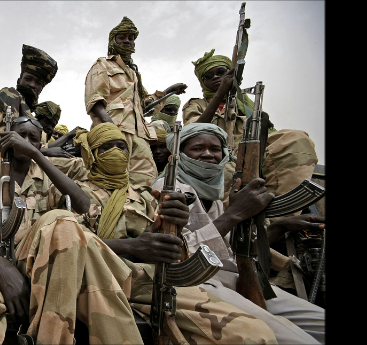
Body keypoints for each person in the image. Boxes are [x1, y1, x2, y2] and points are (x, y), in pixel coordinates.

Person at [66, 122, 278, 344]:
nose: (117, 153)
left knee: (261, 334)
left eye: (122, 147)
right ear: (90, 154)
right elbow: (66, 240)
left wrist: (166, 228)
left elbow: (168, 245)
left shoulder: (146, 196)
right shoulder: (72, 192)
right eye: (106, 147)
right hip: (106, 278)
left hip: (156, 277)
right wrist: (133, 246)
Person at [0, 115, 144, 344]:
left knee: (63, 219)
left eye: (33, 139)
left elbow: (83, 206)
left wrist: (37, 156)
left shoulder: (47, 179)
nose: (25, 141)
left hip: (35, 261)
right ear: (7, 137)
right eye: (20, 135)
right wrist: (1, 267)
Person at [151, 123, 325, 344]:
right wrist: (235, 213)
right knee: (292, 338)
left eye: (215, 149)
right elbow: (175, 253)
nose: (208, 154)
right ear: (181, 155)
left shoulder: (213, 195)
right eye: (197, 148)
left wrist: (280, 226)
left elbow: (230, 248)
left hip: (234, 277)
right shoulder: (167, 188)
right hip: (196, 283)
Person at [183, 49, 318, 209]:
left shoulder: (245, 103)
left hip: (254, 153)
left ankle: (281, 218)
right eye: (208, 76)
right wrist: (220, 94)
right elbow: (194, 132)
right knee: (226, 174)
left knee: (296, 138)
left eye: (221, 72)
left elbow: (268, 136)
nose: (216, 77)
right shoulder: (196, 105)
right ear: (202, 82)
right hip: (219, 160)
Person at [84, 16, 187, 187]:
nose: (127, 41)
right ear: (113, 40)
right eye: (122, 37)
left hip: (139, 135)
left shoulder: (133, 73)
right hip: (113, 132)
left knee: (146, 179)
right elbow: (95, 100)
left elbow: (145, 105)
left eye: (131, 38)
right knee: (110, 180)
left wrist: (168, 92)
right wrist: (111, 129)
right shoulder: (102, 65)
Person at [0, 44, 58, 164]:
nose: (32, 85)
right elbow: (5, 141)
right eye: (28, 79)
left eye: (38, 83)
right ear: (19, 81)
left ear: (41, 89)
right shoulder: (8, 95)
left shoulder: (30, 115)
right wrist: (45, 151)